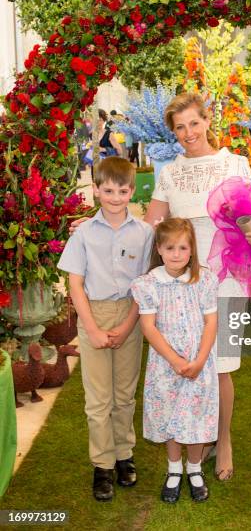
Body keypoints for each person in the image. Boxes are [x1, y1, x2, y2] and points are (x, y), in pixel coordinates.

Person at [144, 92, 251, 480]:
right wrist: (94, 222)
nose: (188, 132)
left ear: (207, 121)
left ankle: (224, 440)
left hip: (226, 275)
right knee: (189, 362)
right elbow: (149, 226)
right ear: (174, 132)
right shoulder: (169, 172)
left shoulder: (234, 163)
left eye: (194, 122)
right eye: (180, 127)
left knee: (220, 366)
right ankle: (193, 437)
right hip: (182, 281)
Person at [58, 157, 154, 502]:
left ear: (132, 191)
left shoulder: (145, 233)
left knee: (124, 395)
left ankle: (124, 456)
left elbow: (146, 284)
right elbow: (75, 283)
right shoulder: (83, 233)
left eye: (122, 190)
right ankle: (102, 465)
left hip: (131, 314)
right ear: (96, 190)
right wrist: (93, 329)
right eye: (108, 190)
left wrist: (129, 325)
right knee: (98, 398)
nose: (115, 197)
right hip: (93, 315)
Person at [131, 218, 219, 503]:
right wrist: (174, 360)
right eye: (170, 248)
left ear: (192, 249)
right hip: (165, 364)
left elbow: (211, 322)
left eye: (183, 247)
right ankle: (174, 469)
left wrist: (200, 360)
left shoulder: (204, 279)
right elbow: (149, 327)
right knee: (169, 413)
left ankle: (194, 468)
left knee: (196, 416)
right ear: (159, 249)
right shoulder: (149, 284)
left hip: (199, 363)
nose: (177, 254)